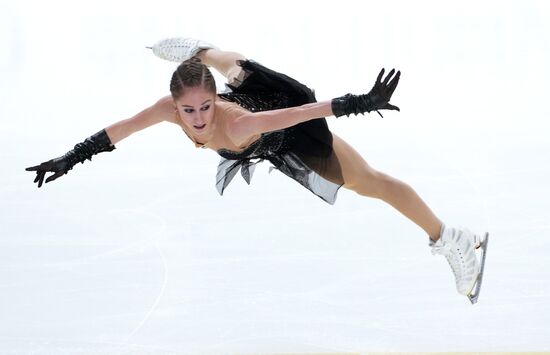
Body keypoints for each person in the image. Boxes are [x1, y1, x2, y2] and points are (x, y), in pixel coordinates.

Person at [25, 37, 488, 303]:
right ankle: (200, 50)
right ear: (176, 106)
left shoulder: (236, 122)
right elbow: (121, 129)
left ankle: (454, 238)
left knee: (369, 182)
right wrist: (71, 158)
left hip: (283, 125)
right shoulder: (170, 108)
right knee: (231, 65)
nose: (198, 118)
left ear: (213, 101)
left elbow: (296, 114)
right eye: (188, 111)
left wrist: (358, 104)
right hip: (252, 104)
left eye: (205, 106)